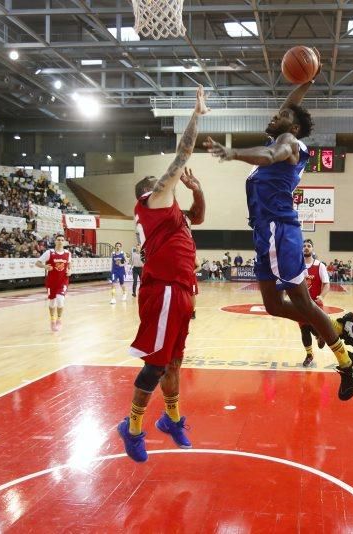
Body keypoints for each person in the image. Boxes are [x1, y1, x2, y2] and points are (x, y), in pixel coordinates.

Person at [203, 77, 353, 401]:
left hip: (281, 230)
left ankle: (346, 363)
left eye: (281, 116)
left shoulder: (288, 143)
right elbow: (288, 107)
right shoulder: (286, 131)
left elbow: (269, 154)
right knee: (273, 305)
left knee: (303, 302)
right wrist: (307, 80)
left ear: (292, 125)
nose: (275, 116)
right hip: (264, 232)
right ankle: (338, 326)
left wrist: (233, 152)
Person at [117, 85, 208, 463]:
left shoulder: (170, 217)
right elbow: (183, 153)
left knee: (173, 362)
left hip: (182, 290)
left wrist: (198, 189)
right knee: (156, 364)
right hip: (165, 290)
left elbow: (198, 216)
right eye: (163, 181)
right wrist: (196, 115)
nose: (167, 182)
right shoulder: (154, 201)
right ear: (149, 191)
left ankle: (171, 420)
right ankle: (133, 426)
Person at [298, 239, 330, 367]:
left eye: (309, 246)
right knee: (304, 328)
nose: (306, 248)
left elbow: (327, 284)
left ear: (312, 249)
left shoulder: (319, 265)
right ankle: (309, 355)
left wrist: (322, 296)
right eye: (304, 246)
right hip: (301, 303)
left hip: (315, 303)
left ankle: (319, 335)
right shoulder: (297, 265)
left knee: (314, 325)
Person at [35, 234, 71, 332]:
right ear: (55, 241)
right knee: (52, 302)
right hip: (51, 281)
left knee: (60, 300)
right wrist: (45, 267)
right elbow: (37, 263)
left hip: (63, 281)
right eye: (58, 240)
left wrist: (70, 271)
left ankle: (59, 319)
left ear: (64, 242)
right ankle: (52, 320)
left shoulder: (67, 253)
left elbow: (69, 264)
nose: (60, 241)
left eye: (62, 240)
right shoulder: (49, 252)